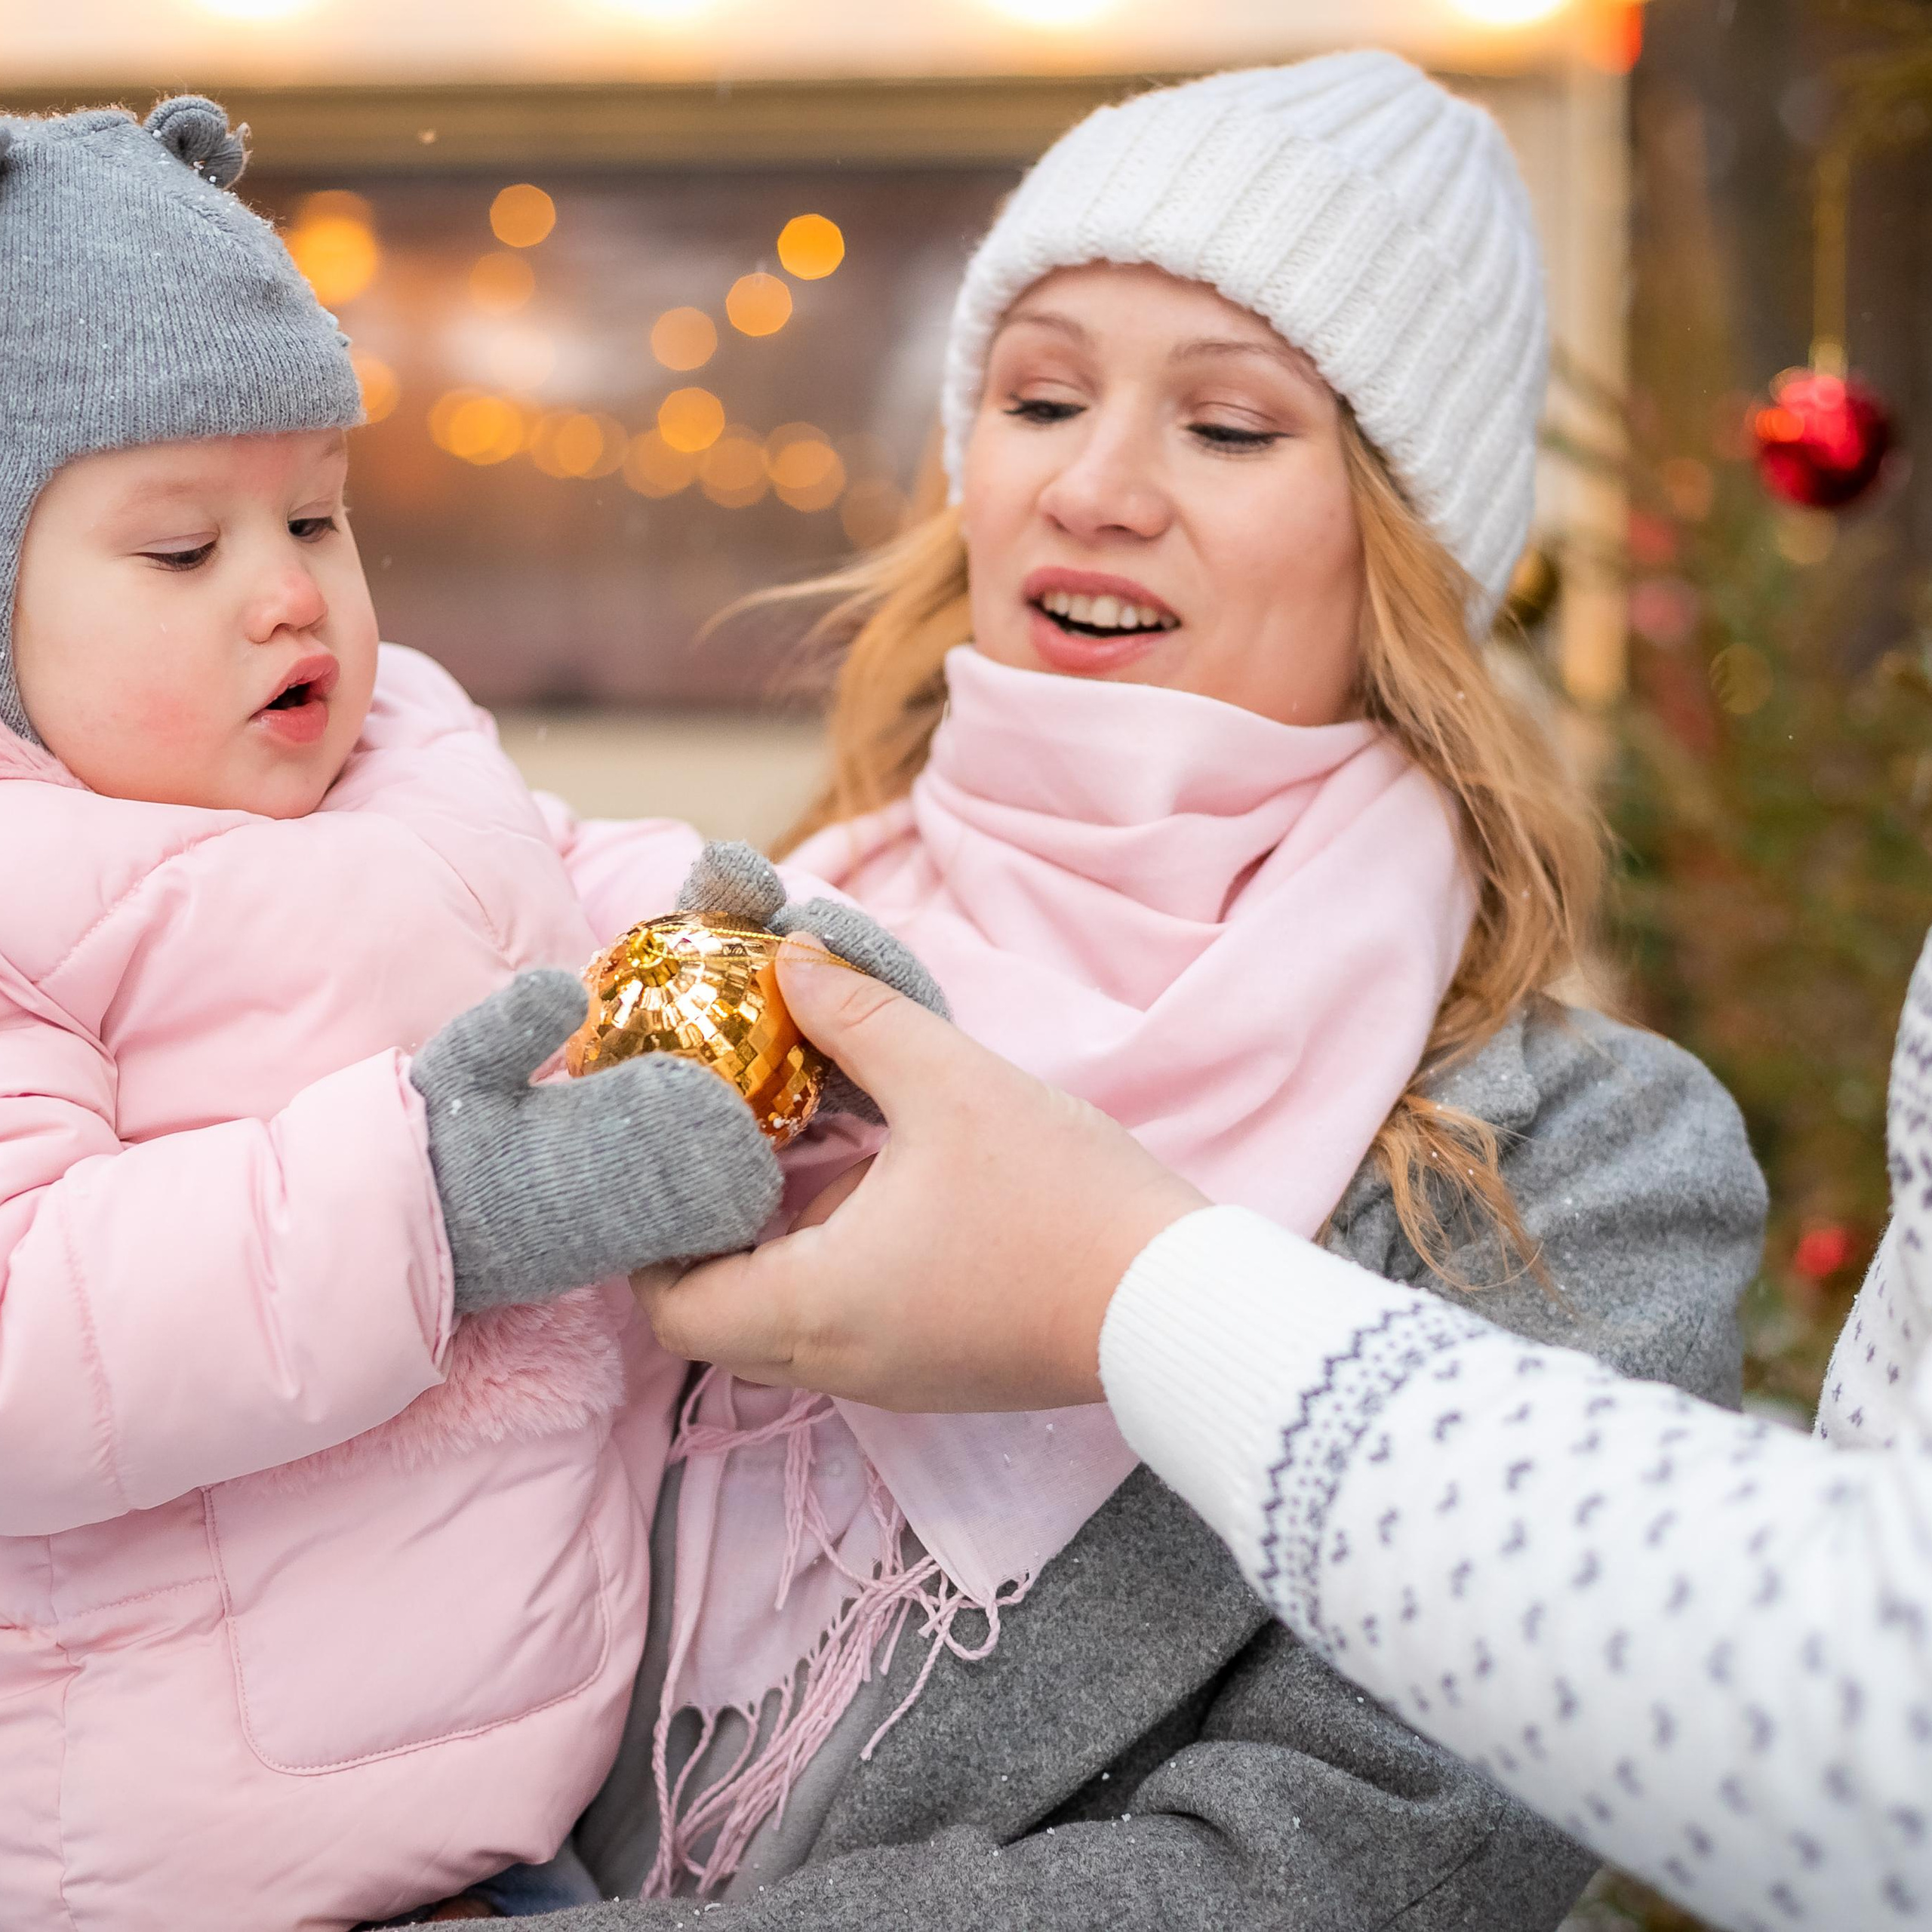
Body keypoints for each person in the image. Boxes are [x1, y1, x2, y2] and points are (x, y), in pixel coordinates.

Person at [525, 54, 1766, 1932]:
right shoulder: (744, 947)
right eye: (1038, 397)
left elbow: (1362, 1863)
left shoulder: (1580, 1158)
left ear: (1401, 542)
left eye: (1231, 428)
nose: (1094, 487)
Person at [0, 99, 930, 1931]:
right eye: (181, 551)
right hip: (167, 1857)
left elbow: (576, 886)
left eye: (319, 516)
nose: (288, 591)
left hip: (521, 1813)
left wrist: (782, 966)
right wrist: (446, 1204)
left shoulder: (408, 741)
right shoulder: (28, 892)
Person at [637, 932, 1932, 1932]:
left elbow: (1364, 1855)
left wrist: (1122, 1285)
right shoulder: (715, 958)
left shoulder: (1578, 1139)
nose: (1113, 560)